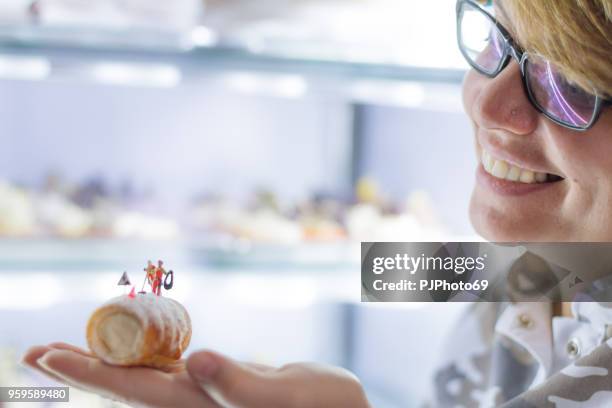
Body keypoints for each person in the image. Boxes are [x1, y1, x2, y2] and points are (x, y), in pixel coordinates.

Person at [22, 0, 612, 406]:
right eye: (496, 39)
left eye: (571, 82)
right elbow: (405, 268)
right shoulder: (521, 276)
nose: (486, 105)